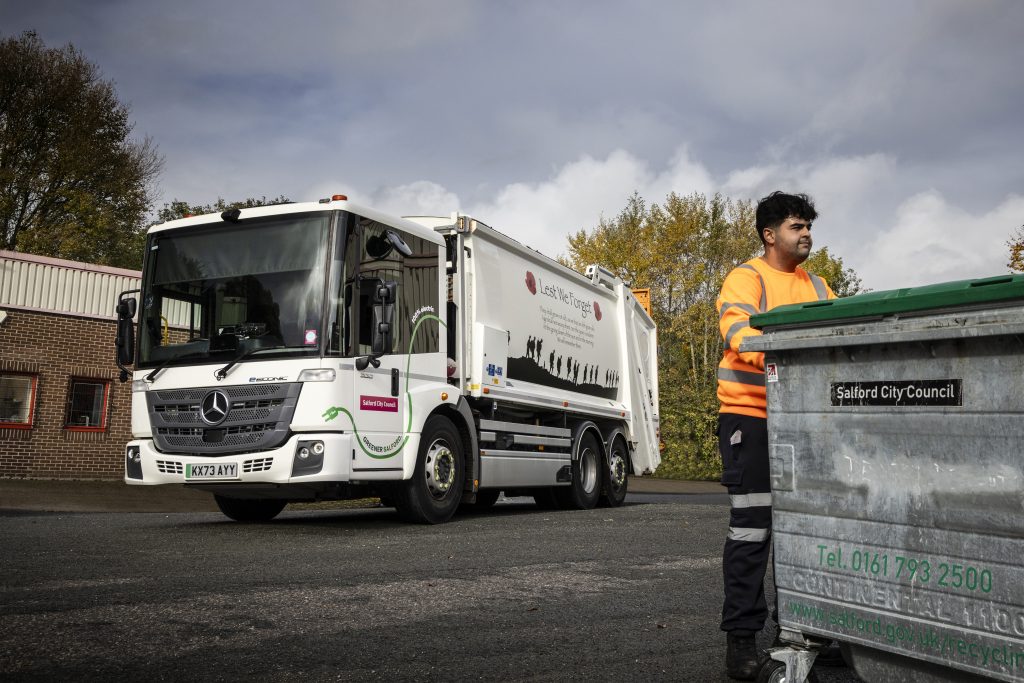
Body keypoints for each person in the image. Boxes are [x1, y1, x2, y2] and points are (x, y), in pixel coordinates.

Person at [716, 191, 834, 680]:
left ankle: (803, 633)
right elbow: (739, 333)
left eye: (808, 226)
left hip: (804, 422)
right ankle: (741, 644)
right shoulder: (747, 277)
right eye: (795, 226)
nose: (806, 234)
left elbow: (839, 337)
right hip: (751, 418)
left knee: (806, 531)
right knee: (752, 529)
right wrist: (793, 357)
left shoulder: (819, 285)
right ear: (769, 235)